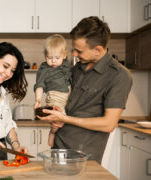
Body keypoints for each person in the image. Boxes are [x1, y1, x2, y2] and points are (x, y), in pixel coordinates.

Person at [37, 16, 132, 164]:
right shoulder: (76, 69)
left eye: (79, 51)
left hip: (83, 156)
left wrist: (65, 118)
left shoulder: (119, 75)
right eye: (73, 49)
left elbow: (109, 124)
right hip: (59, 147)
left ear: (97, 50)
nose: (74, 54)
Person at [34, 34, 72, 147]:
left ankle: (59, 136)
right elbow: (39, 85)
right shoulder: (44, 69)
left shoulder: (67, 66)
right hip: (54, 97)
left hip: (68, 97)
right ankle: (52, 133)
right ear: (45, 56)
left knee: (67, 119)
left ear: (64, 55)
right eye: (49, 58)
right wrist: (38, 99)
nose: (53, 61)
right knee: (58, 119)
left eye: (57, 58)